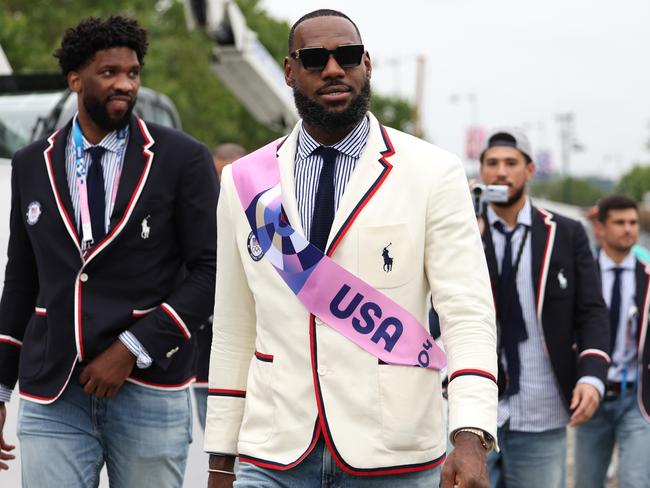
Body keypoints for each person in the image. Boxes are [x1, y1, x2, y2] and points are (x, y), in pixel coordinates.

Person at [205, 9, 498, 488]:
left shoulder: (431, 173)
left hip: (392, 455)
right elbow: (235, 328)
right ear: (289, 71)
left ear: (367, 64)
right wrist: (220, 459)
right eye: (316, 59)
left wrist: (470, 432)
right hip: (273, 452)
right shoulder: (242, 182)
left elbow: (467, 314)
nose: (334, 70)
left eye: (347, 56)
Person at [0, 16, 218, 487]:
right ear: (75, 79)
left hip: (150, 386)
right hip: (53, 390)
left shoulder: (184, 159)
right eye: (109, 73)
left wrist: (133, 347)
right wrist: (0, 388)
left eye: (133, 73)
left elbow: (210, 273)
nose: (124, 84)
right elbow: (21, 280)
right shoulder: (29, 163)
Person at [476, 128, 610, 488]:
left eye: (510, 163)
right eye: (492, 163)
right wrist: (472, 237)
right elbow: (440, 311)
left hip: (542, 409)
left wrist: (592, 374)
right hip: (473, 412)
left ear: (530, 170)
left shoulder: (566, 233)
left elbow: (592, 310)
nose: (501, 172)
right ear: (481, 172)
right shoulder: (462, 232)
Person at [575, 195, 650, 488]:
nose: (628, 229)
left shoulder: (647, 276)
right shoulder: (582, 276)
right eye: (619, 222)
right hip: (593, 396)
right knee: (586, 482)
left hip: (637, 398)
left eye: (633, 222)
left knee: (636, 481)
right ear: (601, 228)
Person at [193, 142, 246, 430]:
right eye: (217, 177)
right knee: (215, 441)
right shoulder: (198, 212)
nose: (221, 185)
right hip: (205, 350)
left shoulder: (263, 212)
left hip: (252, 353)